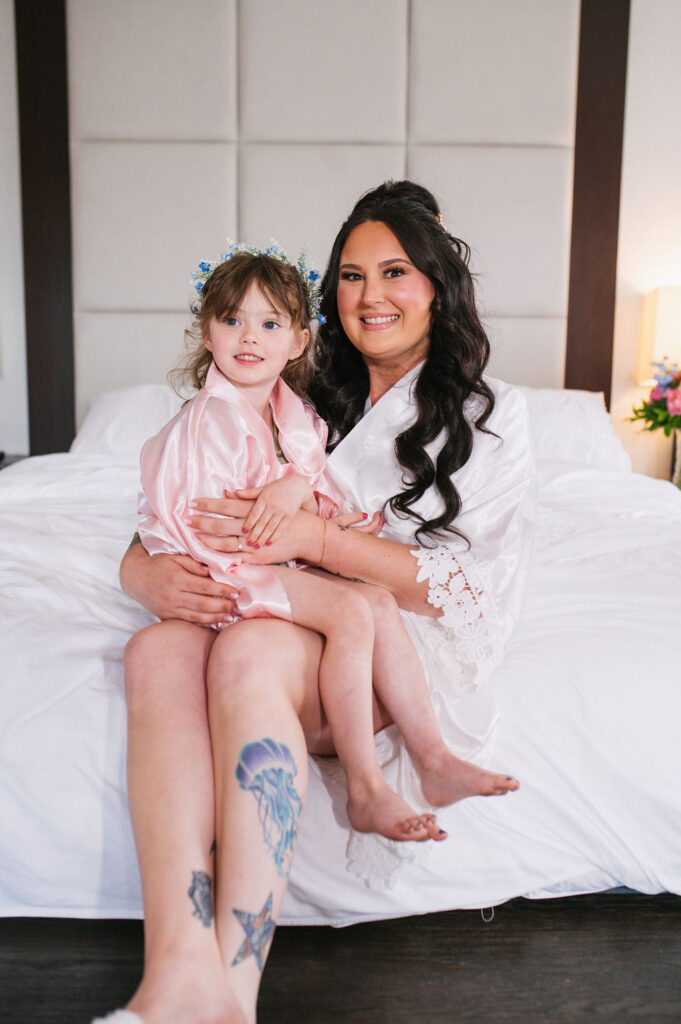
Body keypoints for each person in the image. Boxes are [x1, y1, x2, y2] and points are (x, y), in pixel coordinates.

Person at [106, 180, 534, 1024]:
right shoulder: (296, 384)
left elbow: (467, 590)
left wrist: (317, 541)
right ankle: (175, 975)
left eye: (395, 271)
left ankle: (234, 991)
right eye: (350, 274)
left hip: (389, 633)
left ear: (438, 285)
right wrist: (141, 575)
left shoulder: (490, 416)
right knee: (154, 649)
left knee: (250, 650)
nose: (370, 295)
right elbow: (181, 503)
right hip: (279, 597)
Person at [137, 244, 482, 844]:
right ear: (207, 332)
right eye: (232, 320)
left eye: (269, 324)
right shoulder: (210, 421)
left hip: (269, 557)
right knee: (350, 609)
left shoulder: (291, 410)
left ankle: (433, 758)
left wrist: (325, 515)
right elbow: (212, 526)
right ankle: (365, 788)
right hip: (223, 571)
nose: (250, 337)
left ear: (298, 342)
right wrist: (298, 535)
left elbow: (309, 480)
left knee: (378, 600)